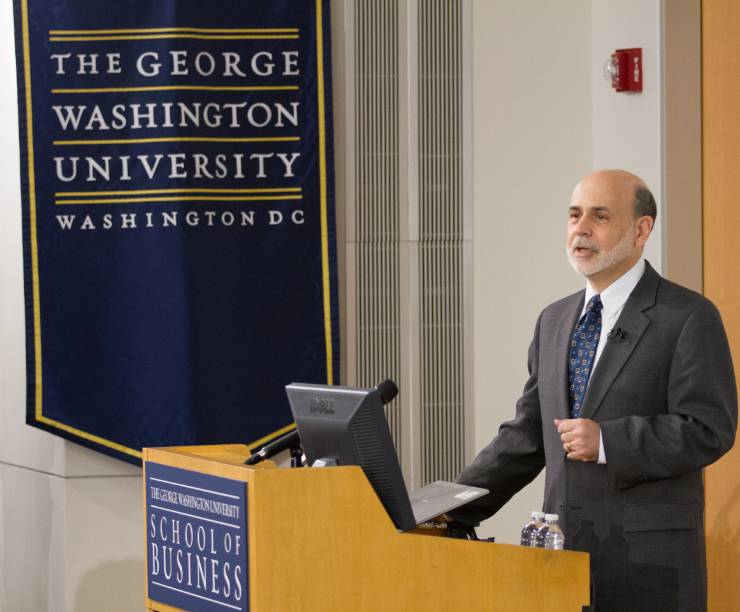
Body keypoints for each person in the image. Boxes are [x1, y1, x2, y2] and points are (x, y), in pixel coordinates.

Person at [449, 170, 737, 612]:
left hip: (650, 569)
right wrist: (448, 507)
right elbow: (526, 437)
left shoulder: (687, 316)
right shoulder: (555, 320)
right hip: (560, 563)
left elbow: (709, 429)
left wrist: (608, 441)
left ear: (642, 229)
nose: (581, 229)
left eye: (599, 216)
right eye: (574, 215)